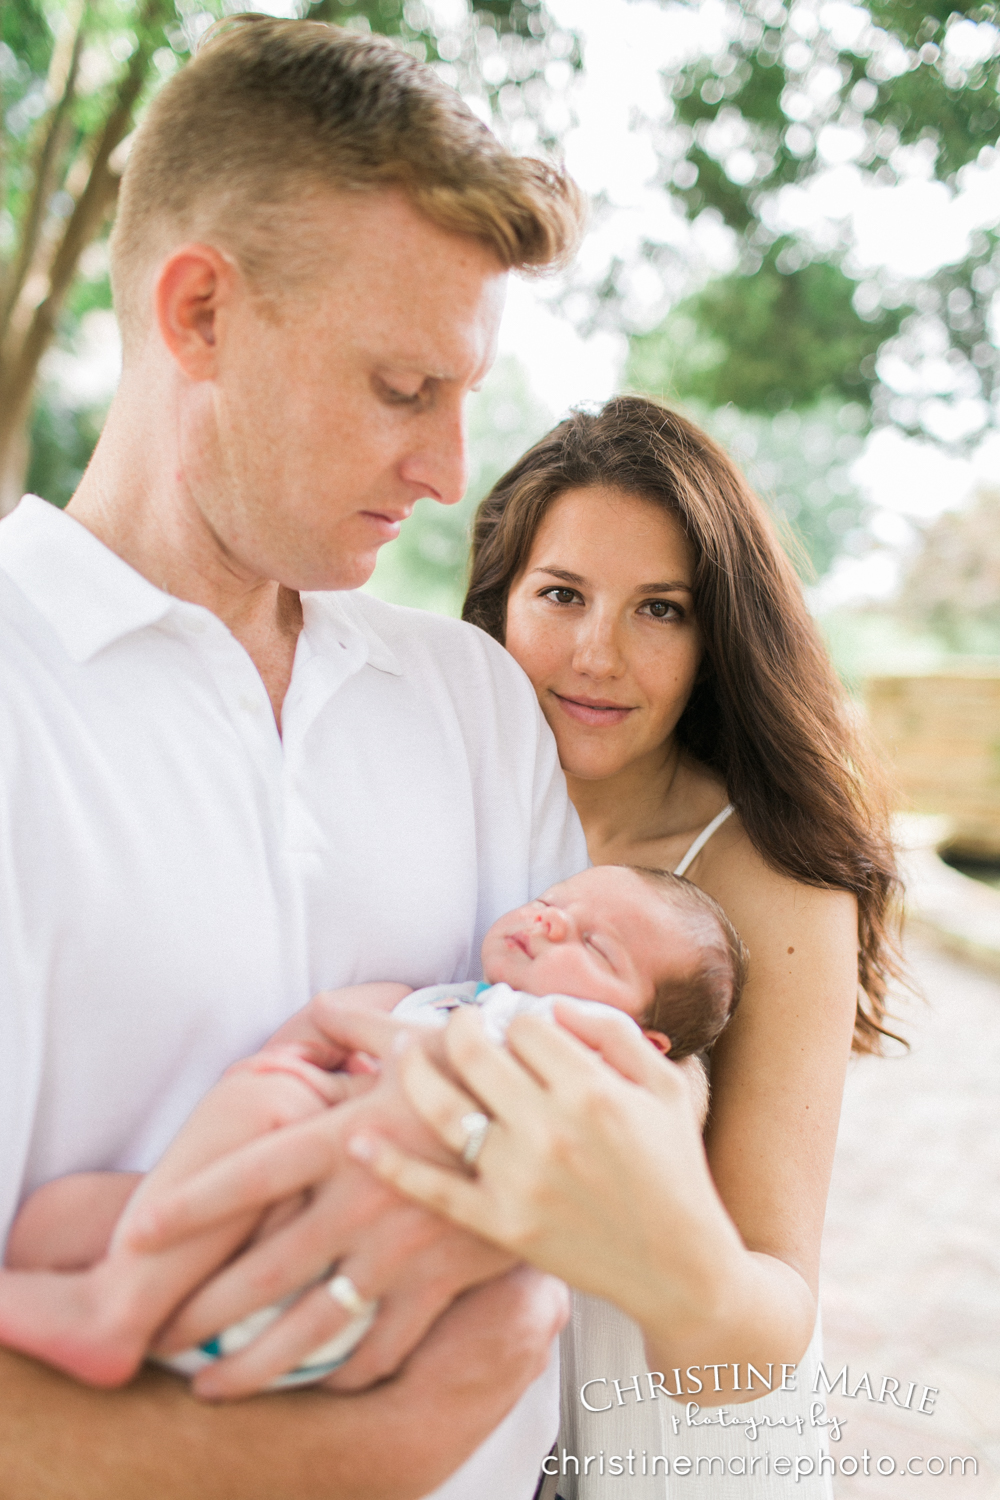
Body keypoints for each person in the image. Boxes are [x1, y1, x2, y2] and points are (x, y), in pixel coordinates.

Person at [0, 13, 592, 1499]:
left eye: (466, 396)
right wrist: (364, 1449)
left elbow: (610, 1121)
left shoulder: (471, 699)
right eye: (404, 391)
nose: (454, 472)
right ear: (198, 312)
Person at [149, 397, 901, 1498]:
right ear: (496, 605)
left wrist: (655, 1239)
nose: (597, 654)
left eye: (660, 609)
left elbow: (773, 1302)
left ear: (715, 633)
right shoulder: (438, 791)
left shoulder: (769, 878)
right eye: (561, 596)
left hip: (667, 1426)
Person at [0, 865, 744, 1399]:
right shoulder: (447, 999)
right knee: (51, 1219)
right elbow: (325, 1021)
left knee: (272, 1096)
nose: (550, 921)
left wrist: (298, 1079)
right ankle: (114, 1302)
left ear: (637, 1042)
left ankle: (112, 1312)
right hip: (254, 1229)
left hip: (349, 1277)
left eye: (597, 946)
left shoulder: (568, 1048)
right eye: (551, 901)